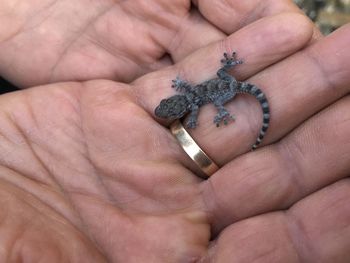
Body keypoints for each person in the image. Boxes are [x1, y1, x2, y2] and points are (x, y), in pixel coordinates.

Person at [0, 1, 349, 262]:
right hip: (222, 83)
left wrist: (214, 111)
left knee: (232, 99)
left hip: (226, 89)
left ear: (177, 107)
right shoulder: (187, 98)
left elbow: (195, 101)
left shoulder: (190, 103)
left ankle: (238, 112)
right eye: (168, 110)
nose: (167, 110)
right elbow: (189, 96)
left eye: (169, 109)